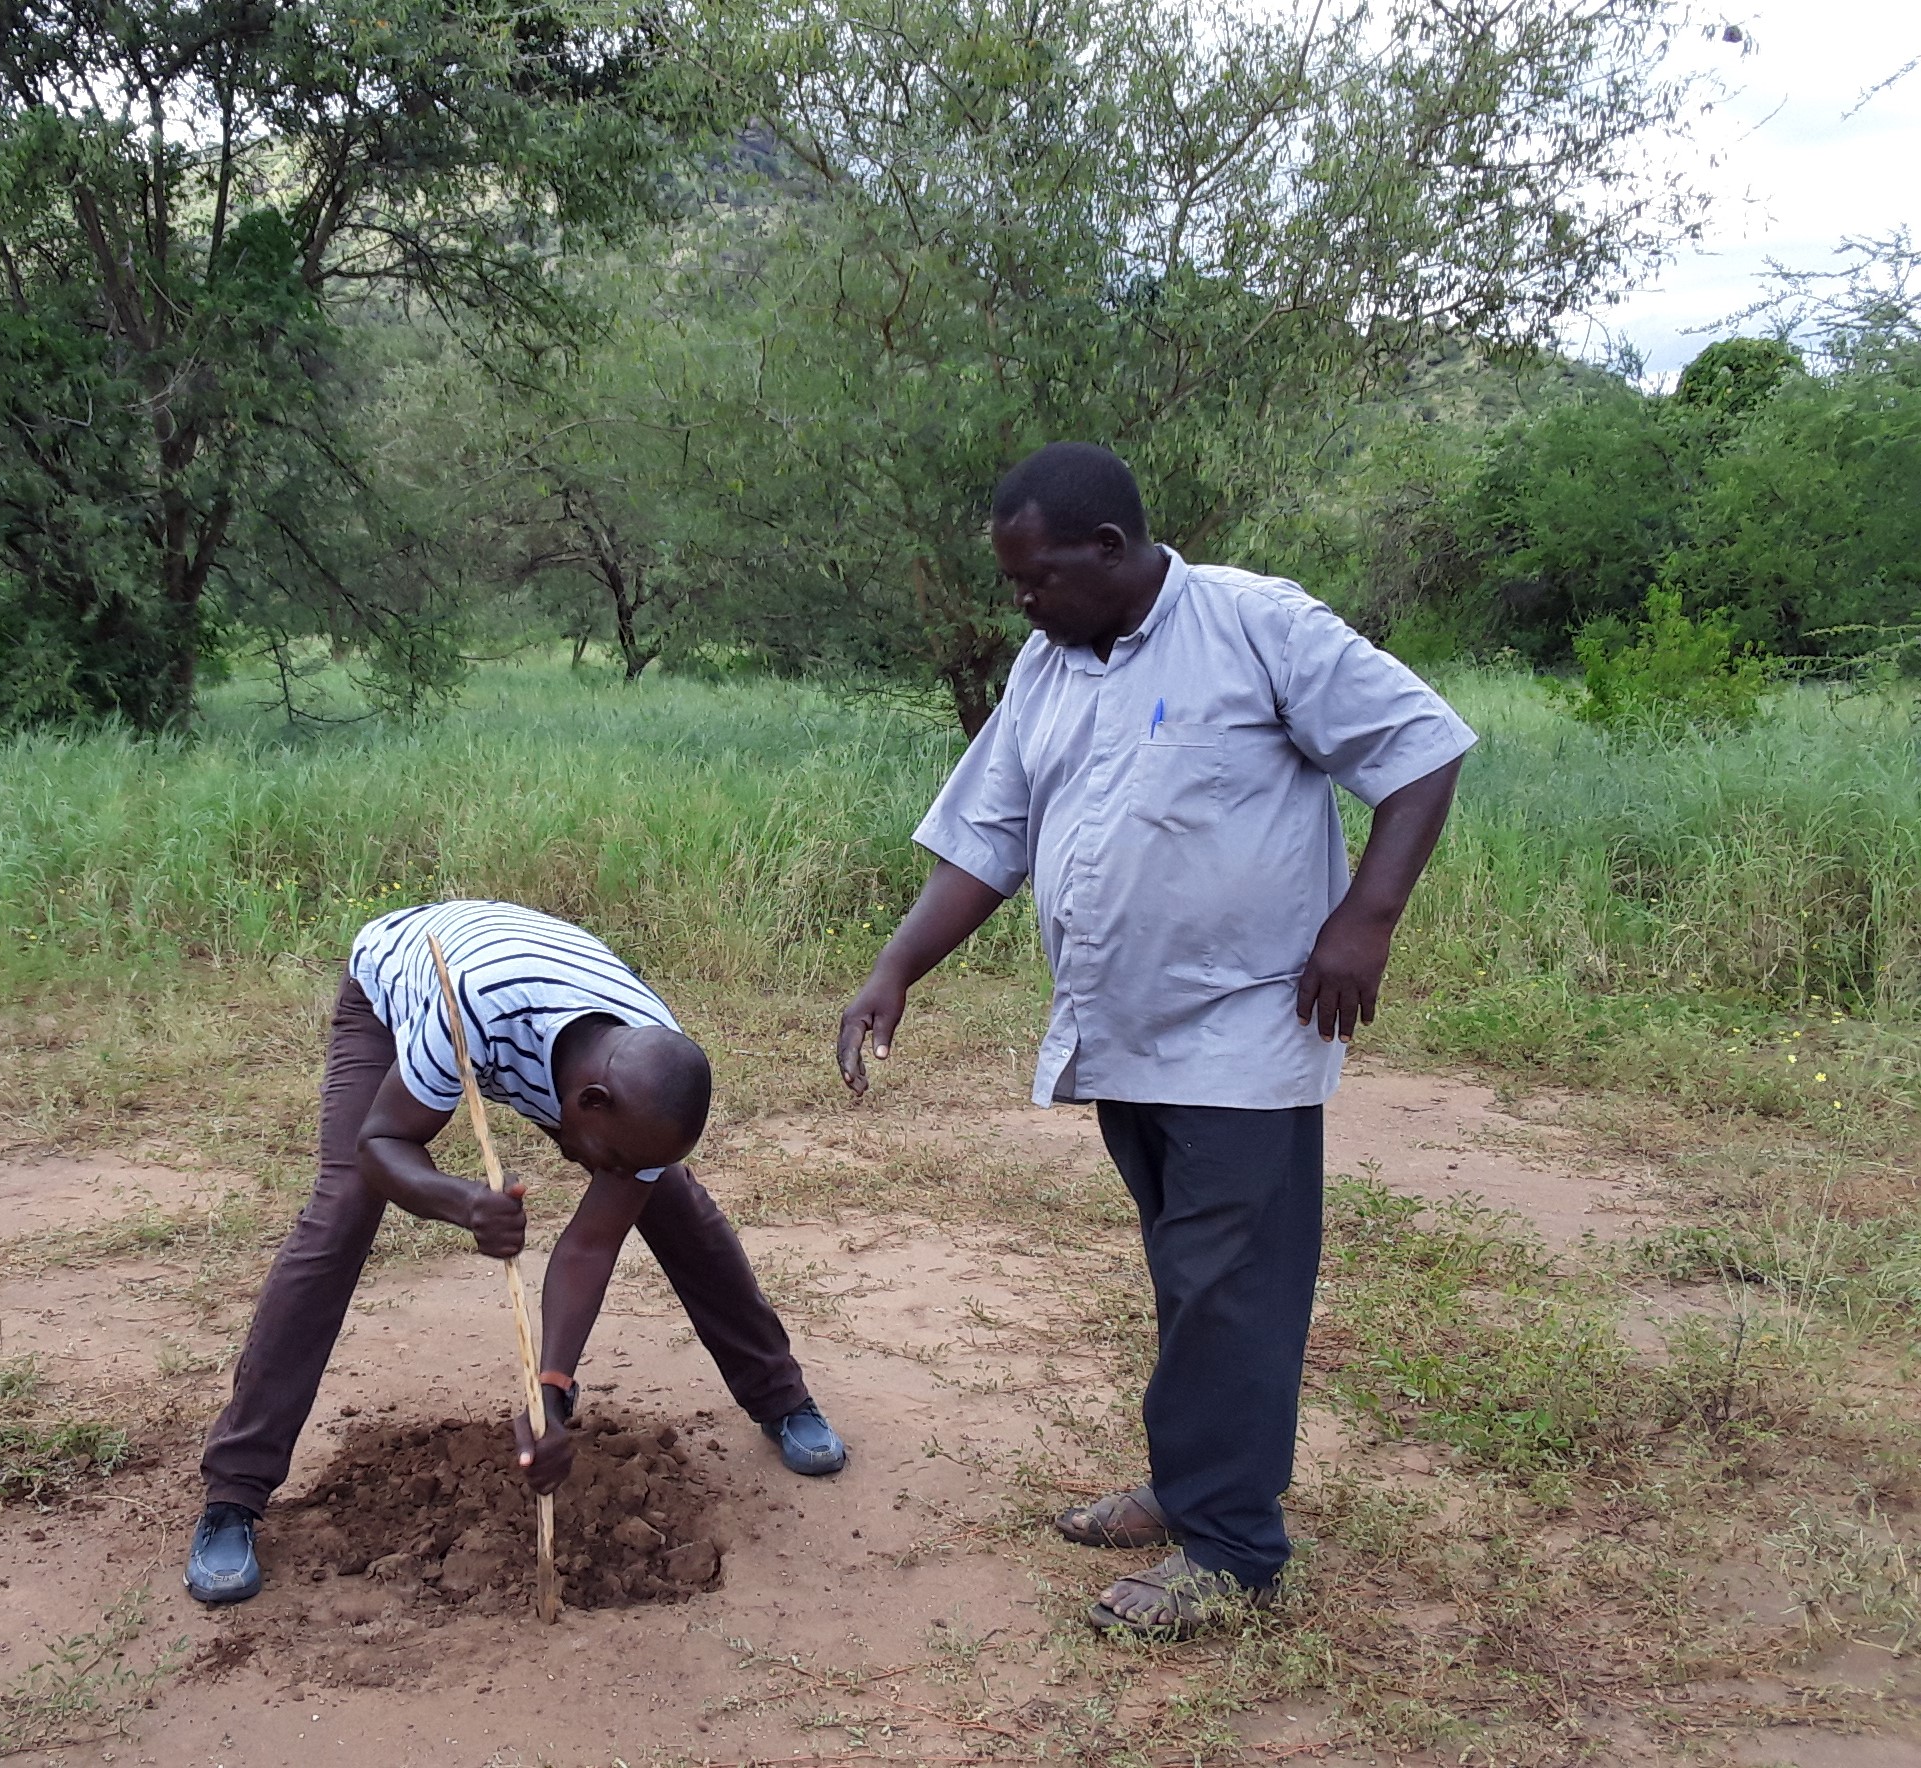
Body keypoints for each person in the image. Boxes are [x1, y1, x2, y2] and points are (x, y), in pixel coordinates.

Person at [837, 442, 1472, 1639]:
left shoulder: (1251, 626)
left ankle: (1231, 1550)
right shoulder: (1047, 665)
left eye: (1034, 579)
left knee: (1228, 1287)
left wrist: (1364, 922)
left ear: (1108, 551)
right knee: (1189, 1279)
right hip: (1124, 1034)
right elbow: (989, 831)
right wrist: (894, 969)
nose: (1019, 603)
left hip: (1246, 1030)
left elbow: (1421, 747)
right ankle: (1191, 1489)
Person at [187, 897, 848, 1605]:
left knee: (674, 1204)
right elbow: (381, 1144)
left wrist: (550, 1396)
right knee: (342, 1210)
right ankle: (234, 1493)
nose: (615, 1174)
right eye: (614, 1158)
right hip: (401, 990)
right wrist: (462, 1203)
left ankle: (781, 1399)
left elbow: (588, 1247)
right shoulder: (465, 1009)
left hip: (544, 1033)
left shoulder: (652, 1070)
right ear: (588, 1102)